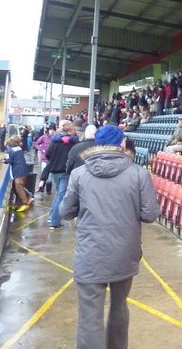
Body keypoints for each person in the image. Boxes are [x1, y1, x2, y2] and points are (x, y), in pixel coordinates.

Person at [59, 124, 159, 349]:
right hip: (124, 252)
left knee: (89, 316)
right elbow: (151, 214)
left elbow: (65, 212)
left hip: (90, 254)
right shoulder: (139, 173)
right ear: (121, 143)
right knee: (119, 306)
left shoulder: (79, 174)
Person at [44, 120, 79, 230]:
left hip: (54, 170)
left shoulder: (54, 141)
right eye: (73, 129)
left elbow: (48, 154)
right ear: (70, 130)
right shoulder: (73, 142)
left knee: (59, 194)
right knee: (61, 195)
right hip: (65, 171)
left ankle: (51, 216)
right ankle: (54, 222)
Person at [3, 135, 32, 212]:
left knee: (19, 188)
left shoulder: (10, 150)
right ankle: (19, 202)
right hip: (24, 171)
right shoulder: (19, 148)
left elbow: (8, 160)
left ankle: (25, 203)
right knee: (17, 187)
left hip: (19, 172)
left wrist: (4, 160)